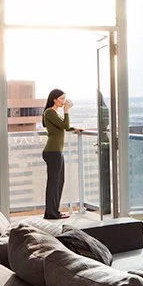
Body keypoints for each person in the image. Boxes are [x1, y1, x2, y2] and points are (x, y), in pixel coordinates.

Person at [42, 88, 81, 219]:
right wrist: (66, 110)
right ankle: (51, 213)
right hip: (52, 152)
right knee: (54, 183)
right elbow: (64, 126)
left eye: (64, 99)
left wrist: (73, 128)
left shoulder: (55, 113)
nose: (63, 101)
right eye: (61, 99)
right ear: (54, 99)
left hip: (57, 152)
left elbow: (64, 126)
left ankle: (53, 211)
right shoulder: (49, 112)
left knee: (59, 182)